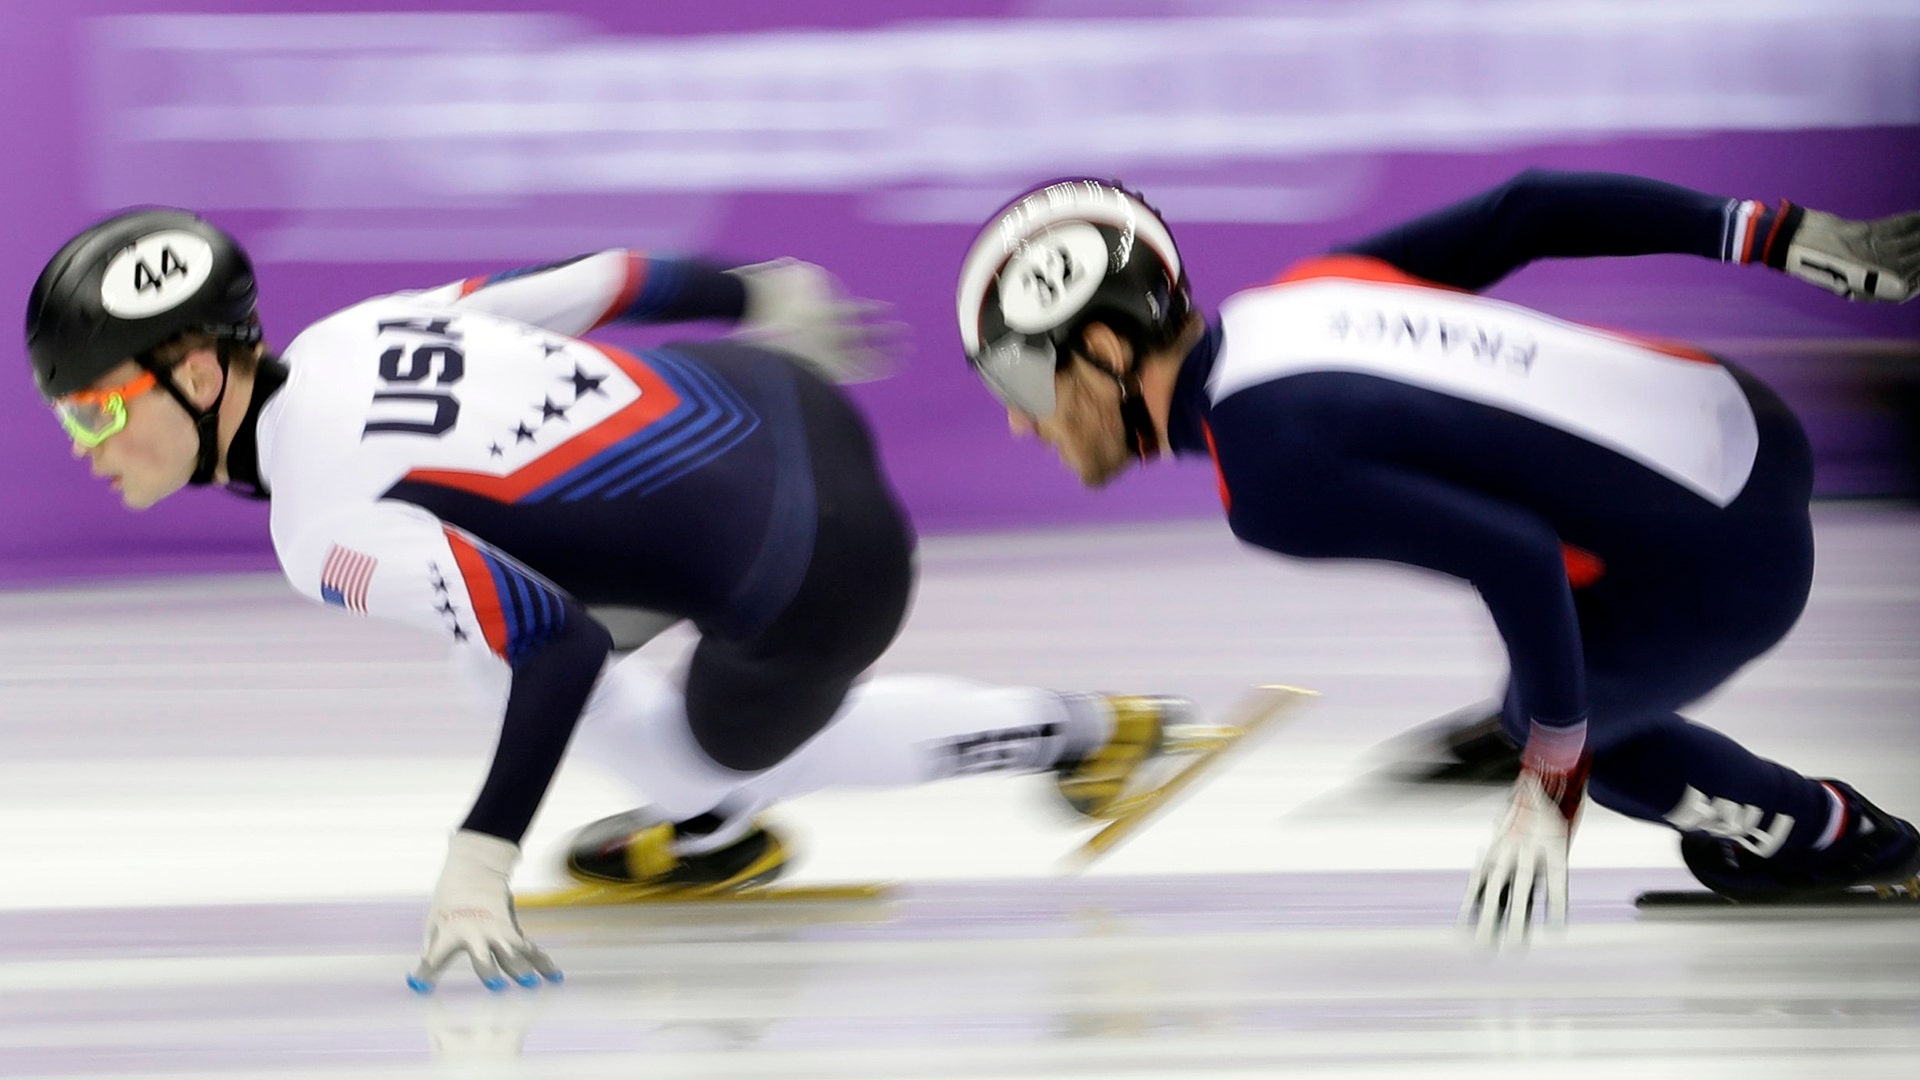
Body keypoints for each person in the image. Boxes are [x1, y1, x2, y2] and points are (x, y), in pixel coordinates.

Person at [24, 213, 1190, 991]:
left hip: (816, 568)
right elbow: (607, 283)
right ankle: (716, 823)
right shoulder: (349, 335)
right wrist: (759, 293)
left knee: (697, 752)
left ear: (200, 370)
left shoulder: (315, 529)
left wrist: (480, 856)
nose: (89, 442)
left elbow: (561, 643)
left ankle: (1088, 739)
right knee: (479, 624)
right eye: (74, 416)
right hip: (775, 397)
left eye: (100, 409)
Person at [954, 169, 1920, 944]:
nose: (1014, 417)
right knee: (1549, 697)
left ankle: (1834, 835)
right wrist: (1776, 232)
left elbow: (1518, 557)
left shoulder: (1267, 475)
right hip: (1735, 411)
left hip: (1725, 557)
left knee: (1565, 728)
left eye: (1022, 371)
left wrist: (1548, 789)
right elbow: (1528, 208)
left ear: (1112, 350)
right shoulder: (1297, 297)